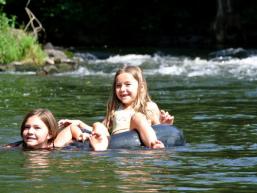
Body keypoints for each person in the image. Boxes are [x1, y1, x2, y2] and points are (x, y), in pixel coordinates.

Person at [89, 65, 174, 151]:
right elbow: (103, 128)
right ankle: (99, 148)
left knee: (137, 117)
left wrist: (164, 125)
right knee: (98, 124)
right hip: (117, 149)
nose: (122, 89)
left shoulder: (149, 107)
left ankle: (153, 144)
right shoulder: (115, 109)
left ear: (141, 87)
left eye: (127, 84)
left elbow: (158, 130)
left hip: (137, 145)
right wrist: (85, 130)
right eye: (118, 85)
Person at [6, 108, 91, 149]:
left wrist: (80, 135)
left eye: (37, 128)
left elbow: (71, 127)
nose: (30, 131)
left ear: (49, 134)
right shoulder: (18, 145)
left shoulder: (57, 143)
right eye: (27, 127)